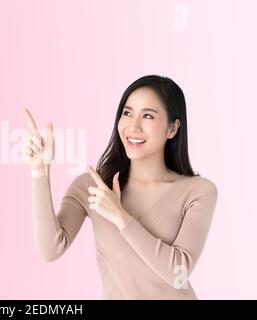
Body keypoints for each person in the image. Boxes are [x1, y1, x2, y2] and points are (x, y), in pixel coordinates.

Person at [22, 75, 218, 299]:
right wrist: (39, 173)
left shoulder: (198, 191)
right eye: (127, 113)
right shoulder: (93, 185)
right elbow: (50, 250)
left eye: (147, 116)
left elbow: (178, 275)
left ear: (172, 129)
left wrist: (120, 217)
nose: (133, 126)